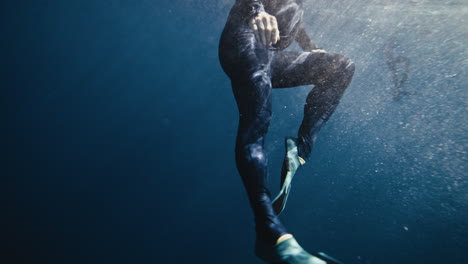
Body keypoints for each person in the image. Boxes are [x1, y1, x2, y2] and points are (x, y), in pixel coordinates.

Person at [218, 0, 354, 263]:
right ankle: (268, 233)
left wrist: (309, 47)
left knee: (341, 67)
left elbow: (293, 15)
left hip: (269, 57)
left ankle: (300, 149)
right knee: (257, 123)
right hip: (242, 42)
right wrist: (256, 10)